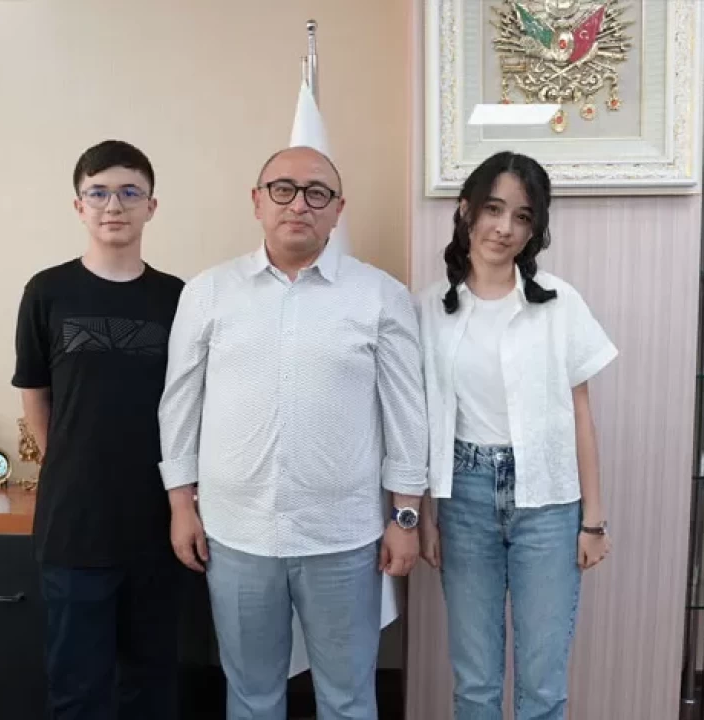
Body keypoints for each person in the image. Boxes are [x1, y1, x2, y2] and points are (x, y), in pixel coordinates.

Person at [158, 146, 428, 720]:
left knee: (348, 698)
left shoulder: (381, 295)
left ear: (338, 210)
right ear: (257, 201)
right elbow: (179, 404)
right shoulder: (207, 292)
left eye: (316, 193)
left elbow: (407, 414)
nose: (298, 204)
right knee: (251, 695)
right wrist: (181, 505)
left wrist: (406, 517)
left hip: (343, 537)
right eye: (282, 189)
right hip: (236, 535)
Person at [415, 151, 616, 720]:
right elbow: (423, 422)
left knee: (542, 685)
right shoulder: (429, 308)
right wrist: (426, 515)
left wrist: (593, 520)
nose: (504, 228)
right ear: (466, 210)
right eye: (493, 209)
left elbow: (581, 415)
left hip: (548, 502)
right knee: (475, 682)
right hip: (463, 498)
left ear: (534, 230)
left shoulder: (559, 302)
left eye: (522, 217)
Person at [13, 140, 185, 719]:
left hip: (159, 523)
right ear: (79, 205)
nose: (115, 205)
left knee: (151, 683)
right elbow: (35, 395)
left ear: (151, 206)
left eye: (130, 192)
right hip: (74, 525)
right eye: (100, 192)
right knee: (78, 688)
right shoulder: (47, 292)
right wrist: (67, 463)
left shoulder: (178, 298)